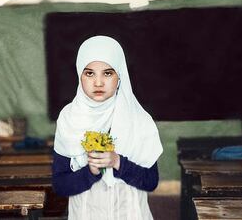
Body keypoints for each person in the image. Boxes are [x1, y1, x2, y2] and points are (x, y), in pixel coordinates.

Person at [52, 35, 163, 220]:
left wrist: (117, 162)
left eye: (108, 73)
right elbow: (61, 185)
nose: (98, 82)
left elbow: (150, 182)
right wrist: (90, 172)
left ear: (120, 76)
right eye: (89, 73)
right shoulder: (68, 118)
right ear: (80, 75)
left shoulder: (139, 119)